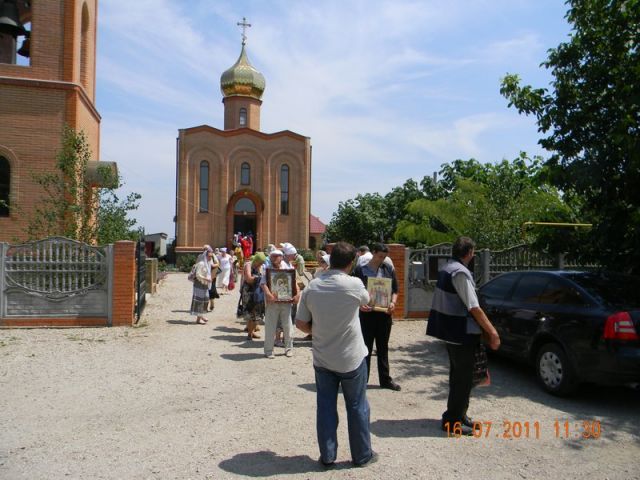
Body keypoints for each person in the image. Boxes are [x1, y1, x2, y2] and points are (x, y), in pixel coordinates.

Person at [295, 241, 378, 468]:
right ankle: (362, 455)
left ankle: (328, 456)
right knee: (357, 405)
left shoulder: (312, 287)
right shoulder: (354, 284)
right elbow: (368, 301)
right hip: (351, 357)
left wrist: (318, 330)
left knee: (325, 406)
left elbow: (301, 323)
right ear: (351, 263)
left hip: (323, 357)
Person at [426, 236, 500, 436]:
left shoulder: (448, 268)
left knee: (459, 376)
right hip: (460, 332)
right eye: (473, 252)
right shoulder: (460, 272)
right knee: (463, 378)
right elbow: (473, 307)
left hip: (452, 331)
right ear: (469, 253)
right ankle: (452, 421)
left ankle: (459, 414)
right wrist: (492, 332)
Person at [352, 243, 401, 391]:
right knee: (365, 348)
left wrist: (393, 302)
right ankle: (362, 380)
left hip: (384, 315)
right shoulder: (360, 270)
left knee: (383, 348)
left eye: (384, 257)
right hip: (366, 315)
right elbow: (354, 291)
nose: (382, 259)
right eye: (380, 256)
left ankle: (385, 380)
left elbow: (395, 290)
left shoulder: (388, 269)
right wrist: (360, 305)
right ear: (373, 253)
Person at [260, 249, 298, 358]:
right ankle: (269, 350)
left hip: (286, 301)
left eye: (277, 256)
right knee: (270, 326)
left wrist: (297, 295)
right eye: (273, 256)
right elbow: (263, 284)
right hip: (272, 302)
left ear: (281, 257)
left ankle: (289, 349)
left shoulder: (288, 268)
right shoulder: (267, 269)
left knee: (288, 326)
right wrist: (268, 294)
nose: (275, 258)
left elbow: (294, 282)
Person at [241, 252, 266, 340]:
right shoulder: (248, 265)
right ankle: (250, 333)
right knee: (251, 311)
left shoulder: (260, 266)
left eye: (262, 262)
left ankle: (251, 331)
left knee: (256, 312)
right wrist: (259, 279)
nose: (261, 264)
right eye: (260, 262)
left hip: (257, 291)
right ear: (257, 259)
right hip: (248, 291)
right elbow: (248, 278)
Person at [190, 246, 214, 324]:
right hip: (199, 284)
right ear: (206, 256)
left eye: (211, 256)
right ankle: (199, 318)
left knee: (205, 299)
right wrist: (206, 279)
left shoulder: (208, 263)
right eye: (209, 256)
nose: (211, 258)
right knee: (200, 300)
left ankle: (200, 317)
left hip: (205, 284)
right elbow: (198, 275)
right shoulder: (201, 263)